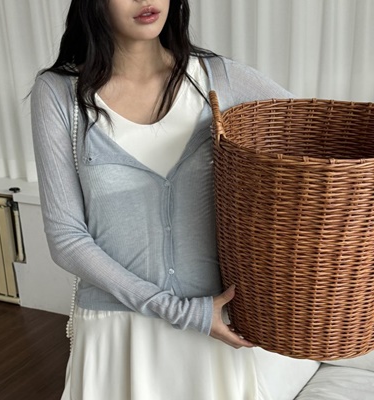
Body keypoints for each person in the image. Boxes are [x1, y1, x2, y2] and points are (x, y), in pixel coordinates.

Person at [31, 0, 292, 398]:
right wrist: (180, 312)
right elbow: (66, 238)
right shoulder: (59, 93)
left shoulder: (218, 77)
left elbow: (321, 146)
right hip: (116, 333)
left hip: (210, 330)